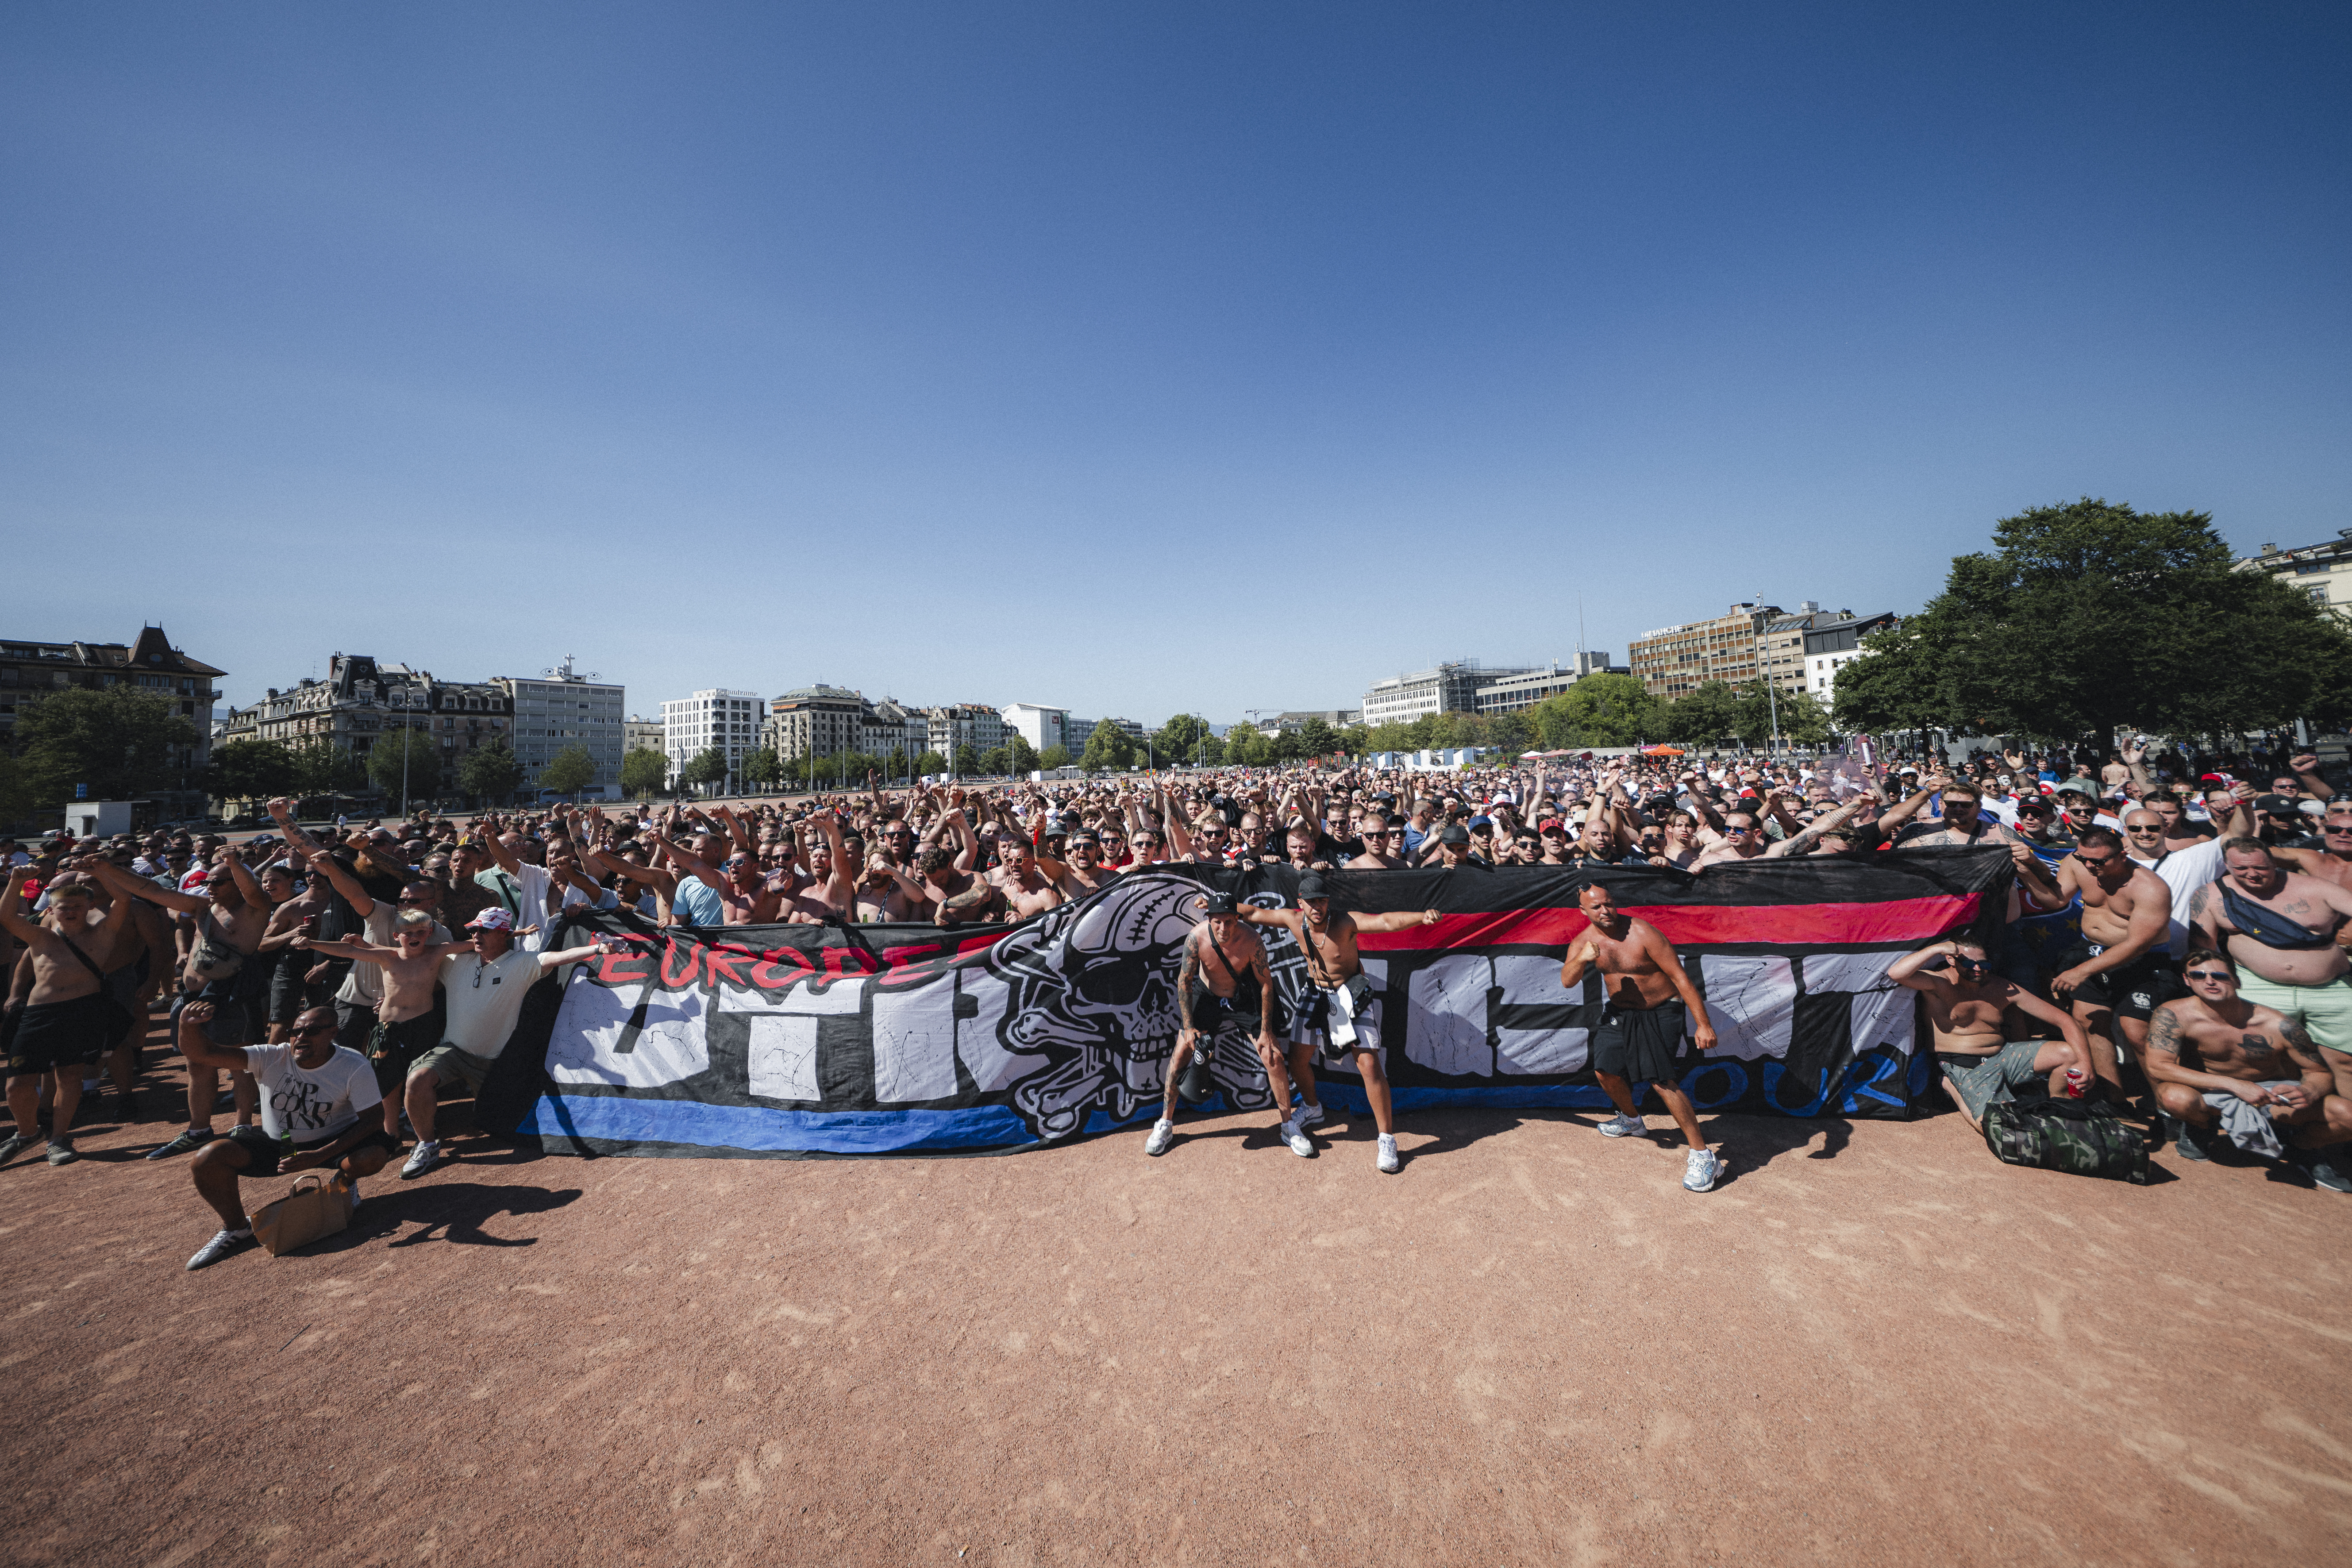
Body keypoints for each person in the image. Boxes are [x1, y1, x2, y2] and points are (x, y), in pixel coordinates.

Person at [178, 1002, 401, 1270]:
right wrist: (186, 1025)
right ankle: (236, 1228)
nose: (301, 1037)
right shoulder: (271, 1056)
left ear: (332, 1033)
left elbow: (374, 1120)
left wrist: (321, 1155)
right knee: (206, 1159)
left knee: (372, 1157)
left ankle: (345, 1180)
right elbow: (204, 1053)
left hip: (334, 1140)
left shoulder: (352, 1064)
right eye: (296, 1031)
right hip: (280, 1143)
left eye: (312, 1031)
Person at [1239, 875, 1439, 1172]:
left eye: (1321, 900)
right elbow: (1254, 913)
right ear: (1300, 903)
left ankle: (1386, 1138)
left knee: (1369, 1064)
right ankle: (1313, 1107)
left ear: (1328, 902)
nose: (1317, 906)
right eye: (1311, 901)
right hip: (1314, 991)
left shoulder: (1344, 922)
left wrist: (1421, 917)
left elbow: (1385, 921)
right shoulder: (1293, 920)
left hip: (1349, 991)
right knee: (1298, 1058)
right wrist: (1220, 905)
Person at [83, 850, 274, 1159]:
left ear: (237, 883)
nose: (210, 886)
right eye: (208, 881)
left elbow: (253, 889)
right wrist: (107, 869)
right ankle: (199, 1128)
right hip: (193, 997)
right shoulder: (201, 908)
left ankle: (242, 1126)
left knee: (240, 1063)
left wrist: (236, 864)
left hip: (231, 994)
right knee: (196, 1063)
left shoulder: (254, 908)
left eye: (219, 882)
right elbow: (152, 890)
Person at [399, 909, 614, 1179]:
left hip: (496, 1063)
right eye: (473, 931)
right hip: (452, 1051)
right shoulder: (454, 961)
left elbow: (559, 958)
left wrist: (598, 948)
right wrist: (396, 997)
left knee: (507, 1128)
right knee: (417, 1080)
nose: (476, 936)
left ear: (504, 934)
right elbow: (410, 964)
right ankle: (427, 1145)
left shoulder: (523, 963)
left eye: (484, 930)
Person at [1559, 881, 1727, 1192]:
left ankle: (1704, 1156)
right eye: (1596, 907)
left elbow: (1679, 977)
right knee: (1605, 1071)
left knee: (1660, 1080)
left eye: (1609, 903)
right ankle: (1632, 1120)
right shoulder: (1583, 941)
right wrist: (1581, 959)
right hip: (1621, 1012)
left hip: (1661, 1009)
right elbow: (1567, 981)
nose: (1605, 910)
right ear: (1583, 910)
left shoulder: (1642, 933)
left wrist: (1703, 1024)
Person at [2143, 952, 2352, 1188]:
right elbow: (2158, 1066)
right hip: (2209, 1090)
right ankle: (2200, 1126)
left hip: (2268, 1097)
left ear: (2237, 981)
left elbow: (2319, 1072)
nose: (2209, 981)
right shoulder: (2173, 1014)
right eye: (2199, 976)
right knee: (2174, 1097)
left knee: (2348, 1115)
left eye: (2220, 976)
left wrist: (2309, 1092)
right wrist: (2235, 1085)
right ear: (2187, 980)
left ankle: (2303, 1148)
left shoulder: (2278, 1024)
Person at [2186, 838, 2352, 1103]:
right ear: (2226, 865)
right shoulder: (2210, 896)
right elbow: (2204, 952)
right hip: (2258, 986)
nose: (2252, 874)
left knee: (2345, 1060)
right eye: (2241, 869)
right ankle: (2289, 1121)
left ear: (2273, 862)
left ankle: (2344, 1129)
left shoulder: (2316, 888)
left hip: (2331, 987)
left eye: (2261, 868)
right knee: (2268, 1059)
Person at [290, 910, 476, 1138]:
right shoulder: (389, 956)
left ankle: (420, 1122)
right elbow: (349, 950)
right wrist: (312, 943)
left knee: (420, 1078)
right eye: (408, 933)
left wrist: (518, 932)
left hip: (423, 1025)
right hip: (390, 1028)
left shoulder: (438, 951)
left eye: (420, 932)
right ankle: (391, 1135)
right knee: (387, 1084)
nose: (414, 936)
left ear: (429, 933)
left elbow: (474, 942)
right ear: (397, 935)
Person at [1888, 935, 2093, 1132]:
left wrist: (2085, 1063)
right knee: (1996, 1125)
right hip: (1962, 1064)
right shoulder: (1938, 983)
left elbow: (2065, 1020)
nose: (1977, 969)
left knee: (2069, 1053)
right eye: (1969, 964)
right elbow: (1897, 973)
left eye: (1984, 964)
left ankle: (2061, 1110)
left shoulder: (2002, 987)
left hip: (2003, 1056)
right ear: (1951, 960)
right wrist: (1936, 949)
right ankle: (1951, 1085)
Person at [0, 865, 134, 1166]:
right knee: (17, 1084)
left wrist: (101, 872)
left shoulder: (102, 932)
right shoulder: (41, 936)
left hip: (81, 1011)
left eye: (77, 906)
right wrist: (16, 881)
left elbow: (123, 900)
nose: (71, 911)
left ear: (90, 906)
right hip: (38, 1014)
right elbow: (7, 918)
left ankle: (59, 1138)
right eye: (64, 907)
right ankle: (26, 1133)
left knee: (69, 1077)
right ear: (52, 909)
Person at [1145, 892, 1277, 1156]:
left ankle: (1288, 1126)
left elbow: (1265, 984)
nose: (1223, 928)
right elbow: (1185, 981)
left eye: (1229, 921)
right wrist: (1189, 1026)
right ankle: (1165, 1122)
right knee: (1182, 1050)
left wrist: (1266, 1030)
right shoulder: (1197, 938)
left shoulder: (1251, 939)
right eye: (1217, 921)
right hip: (1207, 995)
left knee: (1273, 1055)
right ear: (1209, 919)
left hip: (1242, 995)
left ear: (1237, 919)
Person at [2048, 827, 2175, 1094]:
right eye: (2083, 859)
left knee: (2137, 1031)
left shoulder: (2150, 887)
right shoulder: (2078, 862)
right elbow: (2054, 899)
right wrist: (2029, 868)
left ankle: (2165, 1104)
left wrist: (2080, 972)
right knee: (2090, 1022)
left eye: (2099, 861)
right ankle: (2113, 1100)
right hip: (2091, 950)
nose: (2090, 866)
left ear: (2123, 855)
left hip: (2142, 960)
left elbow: (2138, 945)